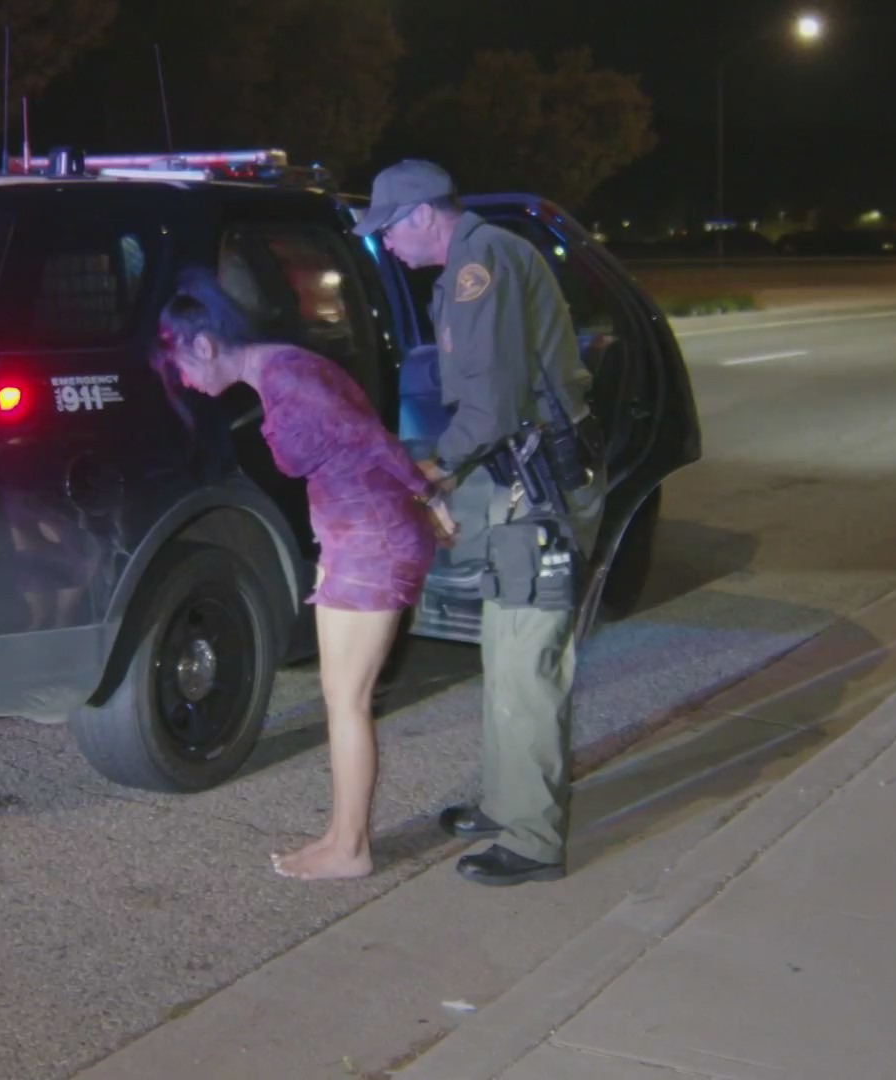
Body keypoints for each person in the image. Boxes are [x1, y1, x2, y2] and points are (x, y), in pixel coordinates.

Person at [155, 268, 459, 881]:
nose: (185, 380)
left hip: (372, 540)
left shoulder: (288, 379)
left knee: (347, 700)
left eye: (181, 366)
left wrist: (424, 496)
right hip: (356, 536)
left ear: (204, 345)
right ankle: (341, 836)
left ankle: (351, 849)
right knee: (338, 696)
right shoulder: (287, 368)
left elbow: (369, 440)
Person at [353, 159, 607, 887]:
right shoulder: (469, 265)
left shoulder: (481, 264)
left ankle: (531, 839)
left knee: (529, 664)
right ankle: (507, 801)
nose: (386, 246)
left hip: (539, 489)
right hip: (514, 485)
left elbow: (491, 408)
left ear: (426, 213)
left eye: (389, 229)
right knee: (504, 649)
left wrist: (433, 473)